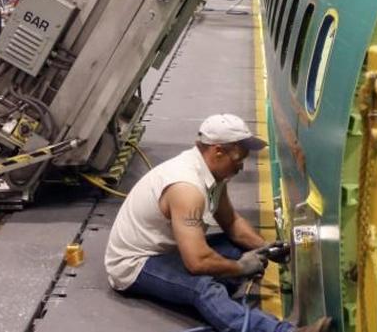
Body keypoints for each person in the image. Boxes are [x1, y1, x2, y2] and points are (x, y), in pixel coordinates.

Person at [106, 114, 332, 332]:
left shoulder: (213, 175)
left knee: (238, 248)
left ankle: (223, 289)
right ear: (218, 151)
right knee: (204, 287)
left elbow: (232, 222)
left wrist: (265, 247)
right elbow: (196, 262)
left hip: (171, 248)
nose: (241, 167)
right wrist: (240, 267)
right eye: (238, 159)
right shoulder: (186, 188)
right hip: (136, 263)